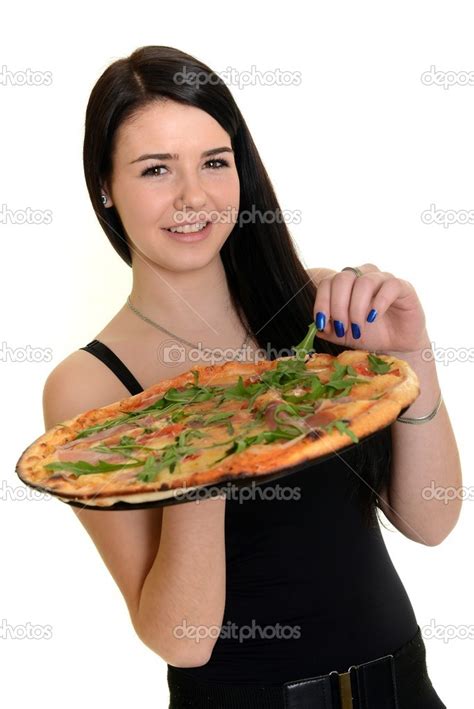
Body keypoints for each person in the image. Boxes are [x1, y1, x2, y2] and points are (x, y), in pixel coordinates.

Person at [42, 45, 459, 708]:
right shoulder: (90, 387)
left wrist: (411, 353)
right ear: (104, 186)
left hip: (402, 688)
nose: (193, 196)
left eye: (214, 162)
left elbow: (432, 520)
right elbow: (182, 639)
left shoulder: (316, 307)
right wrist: (203, 448)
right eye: (156, 169)